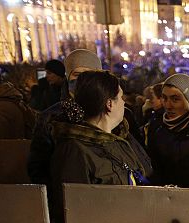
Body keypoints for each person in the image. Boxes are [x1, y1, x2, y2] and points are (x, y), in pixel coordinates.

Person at [27, 49, 137, 186]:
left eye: (89, 75)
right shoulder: (51, 118)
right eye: (77, 75)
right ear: (67, 78)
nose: (83, 81)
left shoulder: (121, 115)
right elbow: (39, 167)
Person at [49, 70, 150, 186]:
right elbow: (74, 200)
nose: (124, 103)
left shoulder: (118, 139)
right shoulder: (74, 152)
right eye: (121, 97)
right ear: (109, 104)